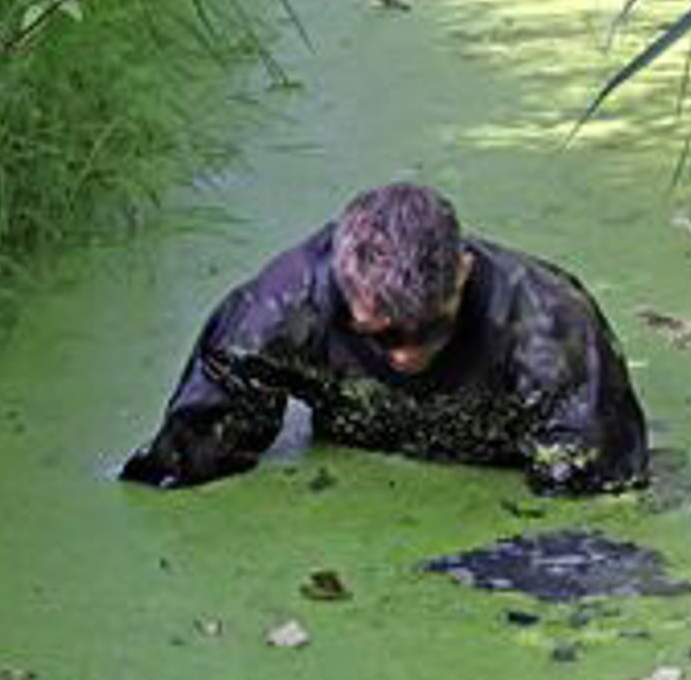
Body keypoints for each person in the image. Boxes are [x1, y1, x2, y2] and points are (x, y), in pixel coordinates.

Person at [119, 183, 650, 494]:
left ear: (463, 273)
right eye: (381, 335)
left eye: (428, 328)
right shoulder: (275, 315)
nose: (405, 356)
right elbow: (190, 456)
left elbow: (596, 498)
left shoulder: (551, 328)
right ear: (343, 293)